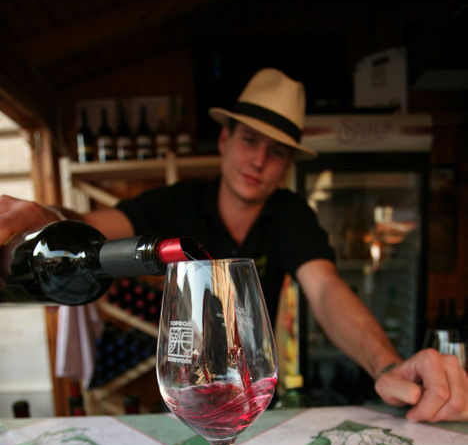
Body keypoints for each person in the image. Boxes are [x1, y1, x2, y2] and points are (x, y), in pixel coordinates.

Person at [0, 68, 467, 423]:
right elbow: (88, 228)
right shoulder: (177, 203)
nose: (259, 160)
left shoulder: (291, 215)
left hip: (251, 394)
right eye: (250, 140)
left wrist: (386, 365)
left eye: (276, 151)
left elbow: (326, 290)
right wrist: (45, 216)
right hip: (187, 394)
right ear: (225, 139)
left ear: (287, 164)